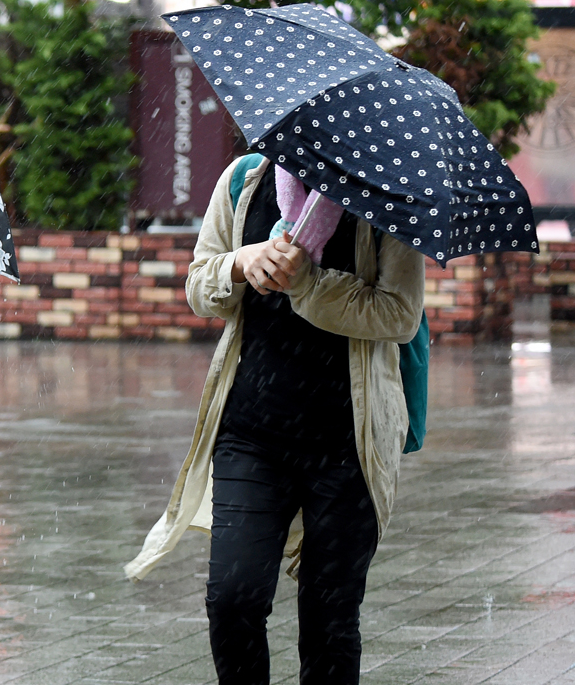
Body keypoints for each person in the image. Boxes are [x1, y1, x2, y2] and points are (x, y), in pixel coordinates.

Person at [125, 154, 425, 684]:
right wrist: (242, 264)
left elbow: (399, 314)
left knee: (330, 621)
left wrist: (307, 284)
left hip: (348, 442)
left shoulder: (386, 192)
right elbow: (200, 283)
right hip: (252, 432)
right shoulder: (246, 179)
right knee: (233, 598)